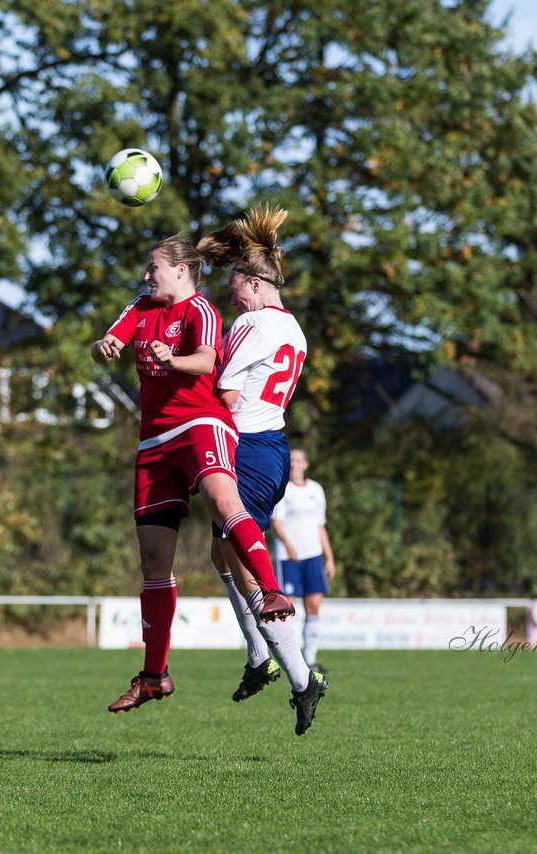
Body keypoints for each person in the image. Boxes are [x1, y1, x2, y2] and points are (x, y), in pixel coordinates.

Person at [91, 233, 295, 715]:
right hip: (153, 442)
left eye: (154, 267)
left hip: (201, 423)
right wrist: (103, 347)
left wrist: (172, 359)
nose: (147, 276)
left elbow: (206, 360)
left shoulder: (202, 310)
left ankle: (270, 591)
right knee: (154, 563)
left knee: (227, 505)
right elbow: (112, 339)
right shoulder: (141, 306)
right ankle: (155, 675)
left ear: (181, 271)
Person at [197, 206, 326, 735]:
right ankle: (262, 657)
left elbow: (226, 389)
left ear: (254, 282)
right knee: (219, 550)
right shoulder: (293, 329)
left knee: (244, 564)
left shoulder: (252, 322)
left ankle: (294, 674)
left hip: (246, 445)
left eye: (234, 285)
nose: (231, 295)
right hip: (269, 443)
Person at [272, 448, 337, 672]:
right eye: (291, 461)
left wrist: (329, 558)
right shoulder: (283, 489)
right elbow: (276, 523)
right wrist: (289, 546)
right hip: (289, 556)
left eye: (299, 460)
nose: (295, 464)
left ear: (306, 464)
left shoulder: (316, 489)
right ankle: (291, 658)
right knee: (288, 607)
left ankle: (310, 659)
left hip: (313, 554)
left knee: (314, 605)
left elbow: (320, 525)